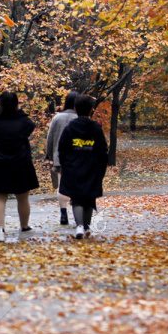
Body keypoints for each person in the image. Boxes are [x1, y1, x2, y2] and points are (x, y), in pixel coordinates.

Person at [0, 91, 39, 242]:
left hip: (0, 164)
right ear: (17, 104)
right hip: (21, 163)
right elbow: (30, 127)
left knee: (0, 198)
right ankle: (24, 227)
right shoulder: (24, 122)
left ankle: (0, 230)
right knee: (23, 198)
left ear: (0, 105)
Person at [58, 95, 109, 239]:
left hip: (73, 166)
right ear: (91, 110)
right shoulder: (96, 128)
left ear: (75, 109)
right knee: (89, 197)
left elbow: (62, 149)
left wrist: (65, 164)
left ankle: (79, 225)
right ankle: (86, 227)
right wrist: (101, 168)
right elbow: (103, 150)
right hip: (92, 166)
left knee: (76, 198)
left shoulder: (70, 128)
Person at [45, 91, 79, 225]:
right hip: (77, 157)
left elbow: (50, 138)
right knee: (77, 185)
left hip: (60, 157)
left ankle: (63, 214)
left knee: (61, 185)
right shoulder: (79, 118)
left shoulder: (57, 118)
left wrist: (50, 154)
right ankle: (78, 214)